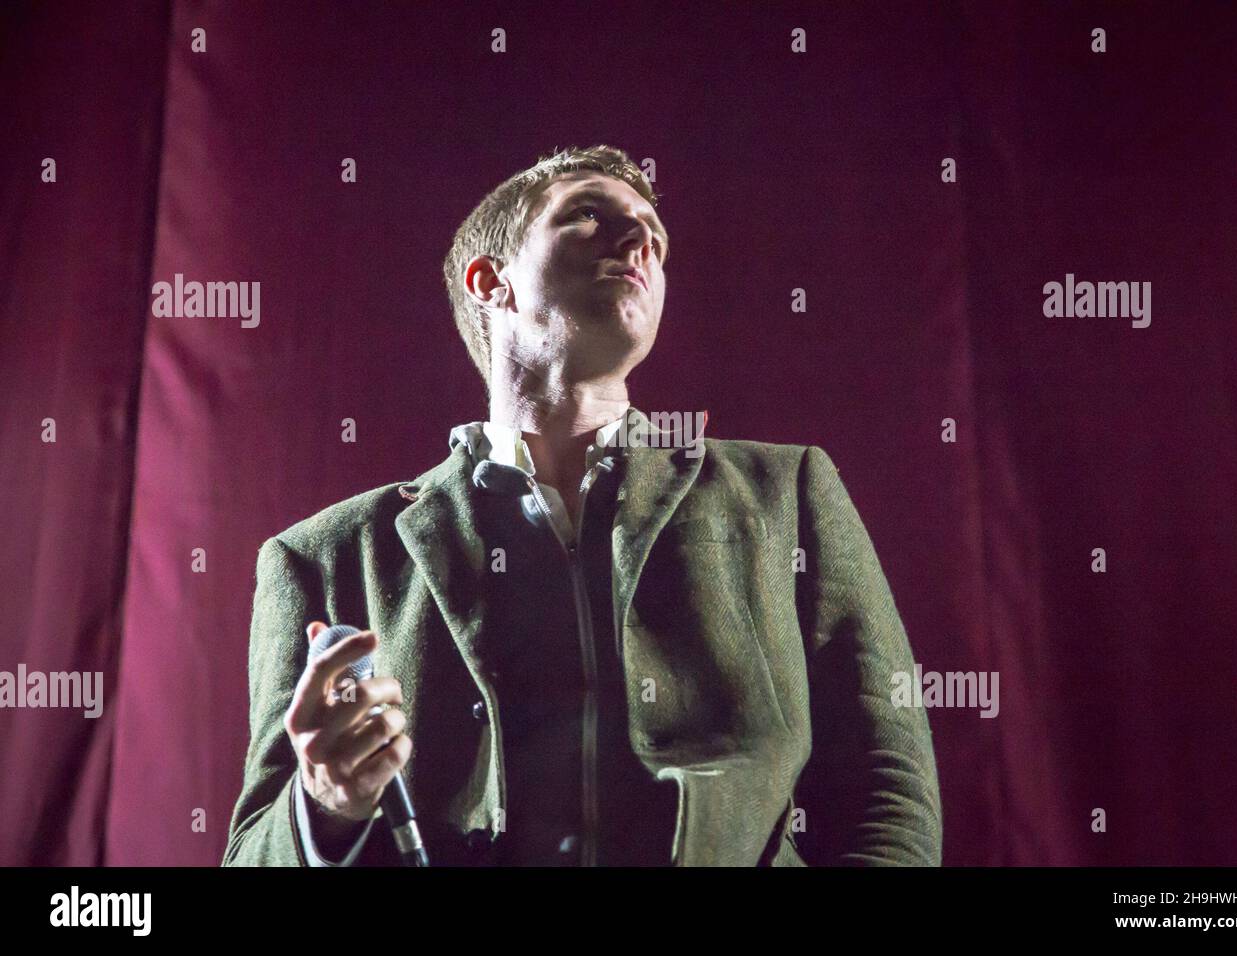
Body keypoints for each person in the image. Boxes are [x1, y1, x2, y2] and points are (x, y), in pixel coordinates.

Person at [221, 145, 942, 866]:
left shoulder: (786, 494)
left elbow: (889, 795)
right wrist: (325, 806)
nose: (640, 243)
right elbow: (250, 856)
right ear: (489, 281)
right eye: (589, 216)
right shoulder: (324, 556)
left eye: (654, 236)